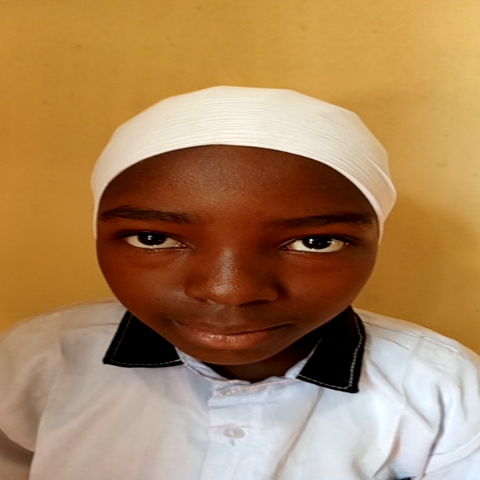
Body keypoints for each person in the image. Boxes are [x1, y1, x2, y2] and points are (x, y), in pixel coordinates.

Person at [0, 86, 479, 480]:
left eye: (314, 242)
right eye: (154, 238)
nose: (229, 291)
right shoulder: (36, 363)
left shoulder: (442, 391)